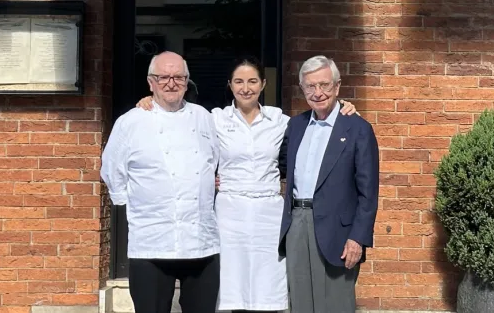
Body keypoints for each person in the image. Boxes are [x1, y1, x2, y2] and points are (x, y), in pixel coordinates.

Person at [135, 56, 359, 313]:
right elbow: (180, 124)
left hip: (269, 214)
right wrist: (149, 101)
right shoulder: (214, 119)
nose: (246, 87)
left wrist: (346, 108)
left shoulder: (280, 120)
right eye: (239, 81)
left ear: (263, 84)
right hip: (229, 214)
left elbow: (318, 126)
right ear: (230, 85)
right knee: (233, 286)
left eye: (252, 81)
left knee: (268, 286)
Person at [101, 51, 220, 313]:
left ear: (187, 81)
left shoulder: (203, 117)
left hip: (200, 242)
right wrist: (129, 202)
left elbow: (215, 160)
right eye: (163, 77)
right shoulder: (131, 122)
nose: (171, 83)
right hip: (151, 243)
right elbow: (111, 169)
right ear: (150, 82)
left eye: (178, 77)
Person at [278, 55, 379, 313]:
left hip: (339, 231)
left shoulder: (357, 128)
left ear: (337, 86)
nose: (318, 92)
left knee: (335, 304)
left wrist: (358, 237)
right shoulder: (295, 125)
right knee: (300, 302)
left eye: (324, 85)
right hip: (297, 224)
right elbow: (279, 168)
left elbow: (368, 192)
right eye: (310, 86)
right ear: (302, 89)